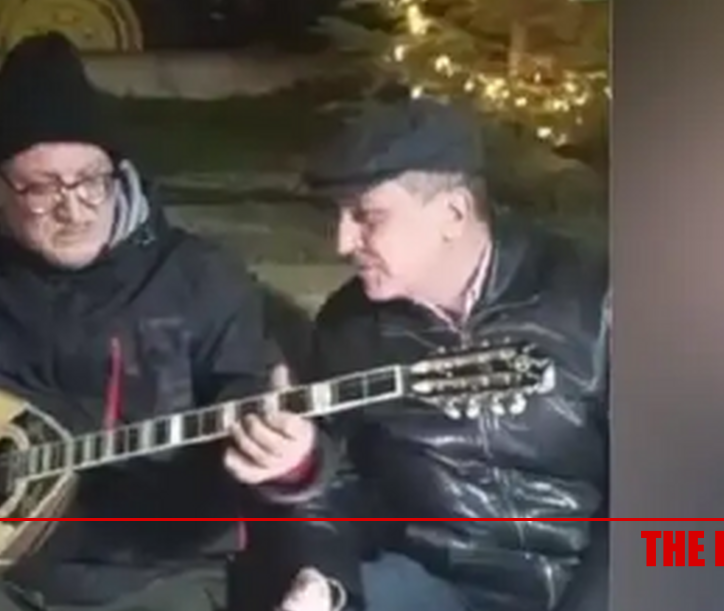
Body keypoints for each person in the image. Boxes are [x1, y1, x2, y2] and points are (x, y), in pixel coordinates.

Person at [0, 32, 301, 611]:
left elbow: (251, 390)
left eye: (91, 180)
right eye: (42, 188)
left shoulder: (201, 277)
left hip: (153, 571)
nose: (74, 208)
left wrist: (286, 453)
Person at [223, 98, 611, 611]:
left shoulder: (596, 298)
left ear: (453, 214)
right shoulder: (349, 326)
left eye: (367, 216)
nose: (342, 242)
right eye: (338, 215)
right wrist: (304, 478)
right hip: (433, 584)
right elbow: (340, 489)